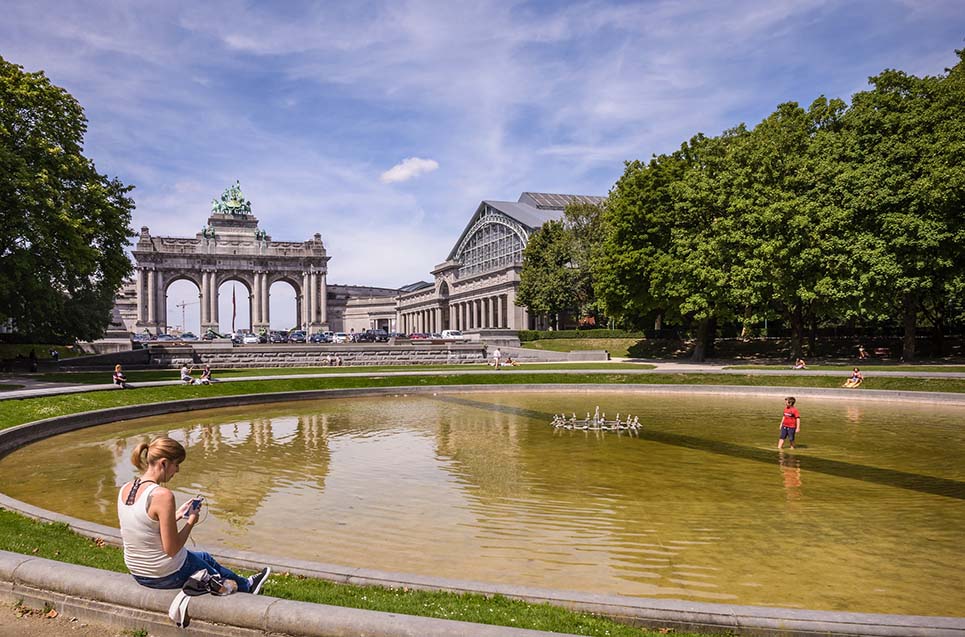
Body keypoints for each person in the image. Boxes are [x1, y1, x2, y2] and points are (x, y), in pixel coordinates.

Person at [117, 437, 270, 594]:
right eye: (176, 464)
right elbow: (172, 549)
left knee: (204, 556)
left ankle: (247, 584)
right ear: (164, 463)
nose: (177, 470)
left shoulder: (125, 489)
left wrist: (177, 514)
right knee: (211, 572)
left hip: (138, 571)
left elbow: (144, 524)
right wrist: (191, 521)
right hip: (164, 574)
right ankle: (243, 586)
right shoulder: (163, 495)